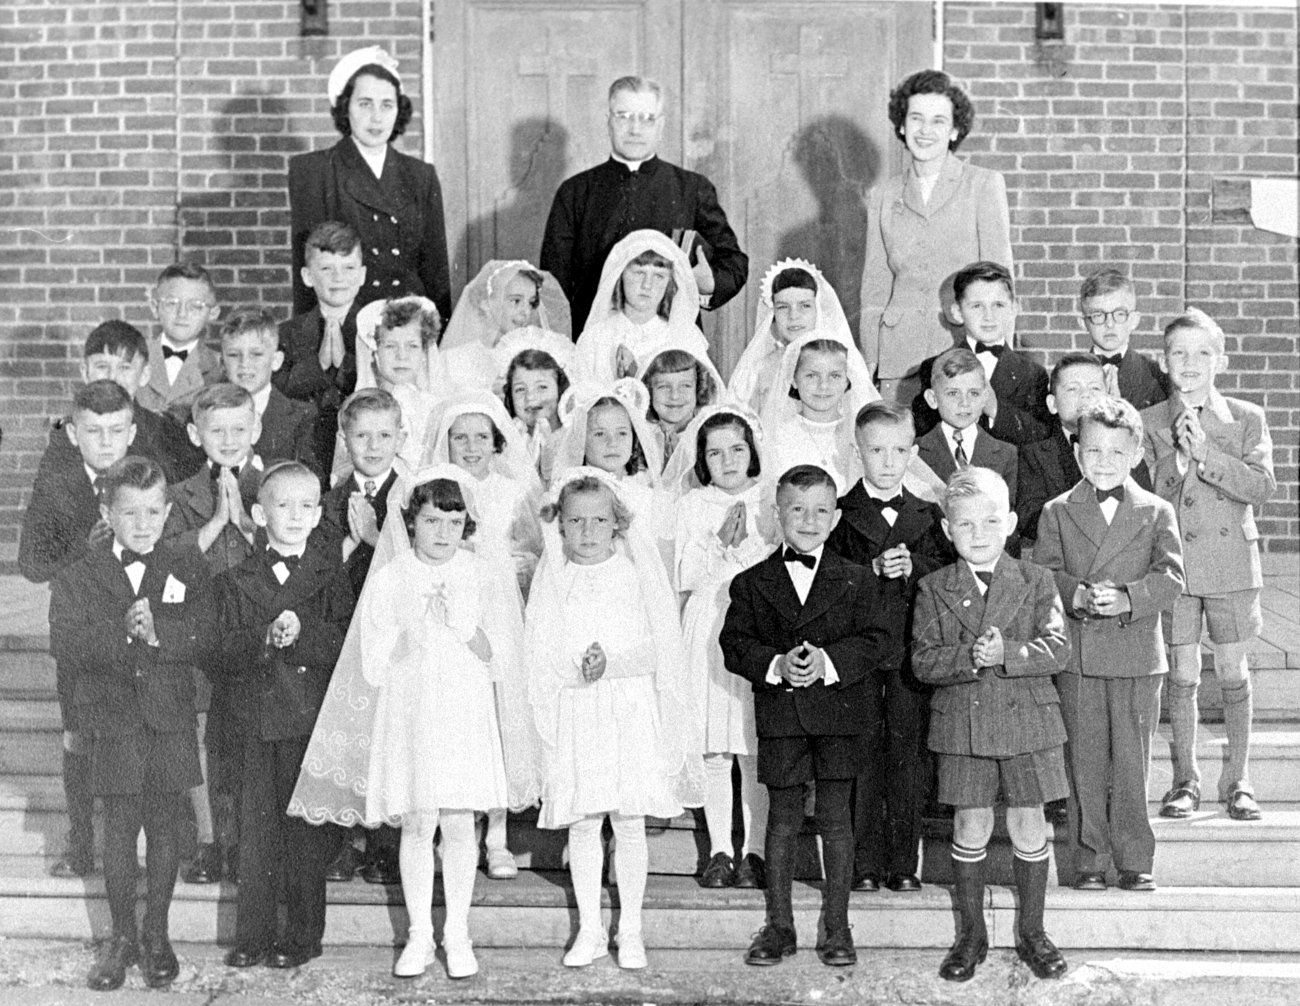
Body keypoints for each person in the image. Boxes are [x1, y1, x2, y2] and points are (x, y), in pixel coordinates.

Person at [49, 456, 216, 992]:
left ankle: (157, 935)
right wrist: (122, 634)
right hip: (114, 721)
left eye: (152, 512)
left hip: (167, 719)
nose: (142, 524)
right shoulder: (80, 574)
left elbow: (208, 633)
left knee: (166, 828)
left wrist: (160, 633)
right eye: (129, 513)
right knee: (120, 832)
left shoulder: (188, 567)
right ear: (107, 513)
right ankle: (121, 936)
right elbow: (66, 644)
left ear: (168, 512)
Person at [526, 468, 704, 970]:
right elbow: (538, 650)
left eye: (599, 520)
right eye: (575, 520)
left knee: (628, 822)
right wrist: (575, 668)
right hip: (576, 708)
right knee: (582, 824)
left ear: (617, 524)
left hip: (627, 706)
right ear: (560, 526)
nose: (587, 531)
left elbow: (660, 648)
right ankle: (589, 929)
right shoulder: (554, 578)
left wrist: (613, 664)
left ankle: (631, 929)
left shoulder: (633, 574)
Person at [719, 464, 889, 968]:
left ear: (836, 518)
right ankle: (779, 926)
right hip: (783, 716)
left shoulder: (859, 579)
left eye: (820, 510)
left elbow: (877, 639)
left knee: (837, 819)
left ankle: (837, 927)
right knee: (783, 819)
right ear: (778, 514)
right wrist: (775, 664)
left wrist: (828, 663)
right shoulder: (751, 582)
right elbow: (734, 644)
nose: (808, 520)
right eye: (797, 509)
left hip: (839, 714)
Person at [911, 467, 1070, 983]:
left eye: (990, 521)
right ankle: (972, 934)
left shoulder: (1036, 579)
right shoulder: (935, 587)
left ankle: (1033, 932)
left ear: (1012, 523)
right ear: (945, 530)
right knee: (970, 824)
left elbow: (1058, 647)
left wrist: (1012, 653)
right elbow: (923, 660)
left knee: (1029, 823)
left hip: (1028, 722)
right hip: (964, 724)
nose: (978, 534)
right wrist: (970, 659)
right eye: (965, 525)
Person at [1034, 397, 1184, 892]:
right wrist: (1074, 592)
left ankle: (1135, 858)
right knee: (1085, 764)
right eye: (1093, 451)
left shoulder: (1156, 510)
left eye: (1116, 453)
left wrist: (1128, 598)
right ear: (1077, 453)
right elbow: (1044, 574)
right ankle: (1089, 861)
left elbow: (1171, 578)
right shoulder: (1057, 511)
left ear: (1137, 453)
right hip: (1078, 656)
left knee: (1132, 765)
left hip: (1138, 656)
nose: (1103, 462)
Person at [216, 462, 354, 970]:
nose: (295, 515)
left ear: (319, 515)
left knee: (303, 836)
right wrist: (264, 638)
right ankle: (252, 934)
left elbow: (346, 644)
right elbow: (218, 650)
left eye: (306, 506)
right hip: (255, 723)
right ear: (257, 513)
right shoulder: (234, 580)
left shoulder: (328, 577)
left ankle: (302, 935)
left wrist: (306, 635)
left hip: (308, 722)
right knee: (256, 833)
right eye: (282, 505)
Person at [1142, 309, 1277, 822]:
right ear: (1163, 361)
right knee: (1182, 672)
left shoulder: (1245, 418)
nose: (1191, 363)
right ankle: (1185, 780)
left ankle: (1240, 779)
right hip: (1177, 566)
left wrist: (1207, 455)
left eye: (1202, 353)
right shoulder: (1152, 419)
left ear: (1220, 359)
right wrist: (1178, 461)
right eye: (1179, 353)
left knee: (1232, 668)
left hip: (1230, 565)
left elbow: (1262, 488)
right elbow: (1149, 498)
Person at [825, 402, 954, 893]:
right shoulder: (840, 514)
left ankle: (904, 862)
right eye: (876, 450)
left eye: (899, 450)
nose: (887, 461)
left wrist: (915, 566)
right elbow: (826, 581)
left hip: (908, 658)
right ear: (858, 453)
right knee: (862, 757)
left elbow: (947, 577)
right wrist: (870, 573)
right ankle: (863, 862)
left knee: (907, 757)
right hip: (859, 659)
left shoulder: (926, 514)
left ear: (913, 452)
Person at [19, 380, 138, 879]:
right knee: (80, 741)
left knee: (138, 737)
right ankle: (82, 844)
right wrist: (82, 551)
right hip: (78, 635)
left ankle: (140, 846)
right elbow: (31, 564)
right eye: (93, 431)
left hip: (134, 633)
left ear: (131, 432)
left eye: (115, 431)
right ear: (73, 432)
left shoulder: (146, 479)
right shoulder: (56, 486)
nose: (105, 442)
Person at [424, 393, 545, 879]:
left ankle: (497, 835)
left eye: (480, 436)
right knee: (454, 718)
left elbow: (534, 551)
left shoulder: (511, 492)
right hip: (446, 612)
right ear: (445, 442)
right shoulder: (434, 487)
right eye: (460, 437)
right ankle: (456, 831)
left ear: (497, 442)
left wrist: (514, 566)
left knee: (498, 716)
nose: (471, 446)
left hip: (497, 613)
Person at [540, 75, 747, 334]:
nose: (635, 129)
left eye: (647, 118)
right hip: (592, 342)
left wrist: (708, 283)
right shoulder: (575, 192)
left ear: (660, 125)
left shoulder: (692, 188)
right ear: (609, 121)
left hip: (671, 347)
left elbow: (735, 262)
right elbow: (552, 286)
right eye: (624, 116)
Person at [162, 383, 267, 884]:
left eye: (238, 429)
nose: (227, 439)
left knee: (249, 737)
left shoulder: (277, 486)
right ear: (193, 433)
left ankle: (249, 842)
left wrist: (244, 521)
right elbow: (170, 564)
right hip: (200, 631)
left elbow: (285, 553)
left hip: (255, 633)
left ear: (257, 428)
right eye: (215, 430)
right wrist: (217, 521)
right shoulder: (180, 495)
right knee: (202, 735)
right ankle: (209, 841)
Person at [858, 71, 1012, 404]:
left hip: (962, 351)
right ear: (902, 125)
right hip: (899, 357)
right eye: (916, 119)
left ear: (955, 130)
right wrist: (869, 362)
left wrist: (999, 357)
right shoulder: (884, 194)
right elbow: (875, 286)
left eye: (938, 121)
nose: (925, 131)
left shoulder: (983, 185)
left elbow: (1001, 283)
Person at [671, 405, 775, 889]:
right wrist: (718, 542)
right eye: (715, 453)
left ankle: (754, 851)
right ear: (703, 460)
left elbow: (780, 563)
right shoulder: (693, 504)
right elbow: (685, 576)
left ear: (752, 450)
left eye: (737, 449)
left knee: (752, 746)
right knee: (716, 747)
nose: (728, 460)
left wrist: (745, 547)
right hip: (708, 626)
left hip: (759, 628)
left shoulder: (771, 498)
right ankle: (718, 849)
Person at [313, 387, 406, 884]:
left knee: (388, 737)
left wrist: (377, 538)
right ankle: (345, 840)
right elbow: (319, 569)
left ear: (401, 437)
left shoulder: (412, 497)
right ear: (345, 440)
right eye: (361, 435)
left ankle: (386, 844)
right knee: (349, 737)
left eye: (384, 435)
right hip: (342, 633)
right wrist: (350, 543)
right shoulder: (329, 500)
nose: (372, 446)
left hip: (393, 638)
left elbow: (419, 565)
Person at [289, 46, 451, 321]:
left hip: (408, 324)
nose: (376, 117)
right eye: (365, 104)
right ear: (345, 108)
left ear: (398, 110)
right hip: (346, 324)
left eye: (387, 105)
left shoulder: (420, 176)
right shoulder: (315, 172)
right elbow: (307, 272)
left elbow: (435, 271)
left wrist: (439, 336)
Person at [39, 320, 204, 487]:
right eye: (102, 366)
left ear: (144, 374)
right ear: (85, 372)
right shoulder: (66, 435)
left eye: (125, 368)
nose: (113, 378)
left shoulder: (166, 433)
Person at [913, 262, 1052, 446]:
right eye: (977, 306)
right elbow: (924, 431)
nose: (989, 316)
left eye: (999, 305)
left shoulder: (1033, 374)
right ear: (957, 312)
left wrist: (995, 409)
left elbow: (1041, 435)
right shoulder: (933, 367)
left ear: (1014, 309)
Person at [275, 221, 368, 469]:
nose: (338, 278)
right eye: (326, 268)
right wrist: (318, 366)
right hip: (299, 456)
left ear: (362, 275)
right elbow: (276, 393)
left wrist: (345, 365)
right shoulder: (286, 334)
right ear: (307, 276)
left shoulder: (377, 330)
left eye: (348, 268)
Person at [573, 229, 711, 385]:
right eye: (639, 273)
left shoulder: (684, 336)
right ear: (620, 275)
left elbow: (707, 398)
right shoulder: (595, 338)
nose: (647, 285)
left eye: (658, 276)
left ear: (669, 283)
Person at [339, 295, 445, 481]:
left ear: (423, 353)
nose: (401, 356)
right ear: (374, 353)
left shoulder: (436, 408)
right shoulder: (357, 408)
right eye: (390, 346)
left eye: (412, 346)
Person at [729, 259, 853, 414]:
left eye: (805, 306)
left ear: (818, 309)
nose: (793, 316)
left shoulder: (842, 362)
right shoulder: (761, 369)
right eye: (783, 307)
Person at [440, 260, 572, 392]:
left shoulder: (542, 350)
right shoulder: (455, 360)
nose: (526, 312)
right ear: (485, 303)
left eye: (531, 303)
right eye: (516, 301)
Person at [220, 307, 320, 478]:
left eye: (256, 354)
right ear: (222, 362)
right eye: (234, 354)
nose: (245, 363)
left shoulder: (302, 417)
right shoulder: (205, 413)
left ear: (276, 360)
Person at [915, 347, 1019, 503]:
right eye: (953, 393)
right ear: (932, 399)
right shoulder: (915, 452)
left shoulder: (1006, 453)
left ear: (985, 398)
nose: (964, 403)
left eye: (974, 393)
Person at [136, 263, 225, 426]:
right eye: (172, 303)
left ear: (212, 313)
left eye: (195, 306)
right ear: (155, 308)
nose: (182, 314)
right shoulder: (134, 360)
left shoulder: (220, 367)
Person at [1078, 268, 1170, 412]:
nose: (1109, 324)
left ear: (1134, 320)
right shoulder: (1070, 375)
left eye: (1119, 314)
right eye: (1098, 315)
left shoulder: (1157, 376)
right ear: (1084, 323)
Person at [639, 338, 725, 480]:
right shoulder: (641, 436)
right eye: (664, 386)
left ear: (699, 388)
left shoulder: (709, 437)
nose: (674, 396)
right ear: (649, 390)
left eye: (685, 386)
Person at [501, 339, 574, 482]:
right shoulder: (507, 441)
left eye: (542, 387)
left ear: (560, 390)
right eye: (520, 389)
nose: (530, 397)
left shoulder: (572, 436)